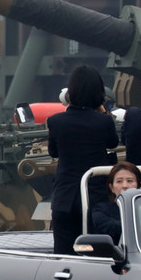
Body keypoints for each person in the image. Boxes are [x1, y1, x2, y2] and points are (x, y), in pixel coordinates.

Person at [47, 64, 119, 254]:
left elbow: (53, 152)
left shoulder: (55, 121)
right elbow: (112, 143)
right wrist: (104, 112)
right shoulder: (103, 121)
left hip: (65, 198)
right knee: (97, 254)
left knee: (63, 253)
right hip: (95, 197)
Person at [91, 161, 141, 243]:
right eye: (119, 181)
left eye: (130, 181)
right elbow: (109, 227)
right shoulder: (100, 210)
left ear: (139, 185)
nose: (125, 186)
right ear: (111, 187)